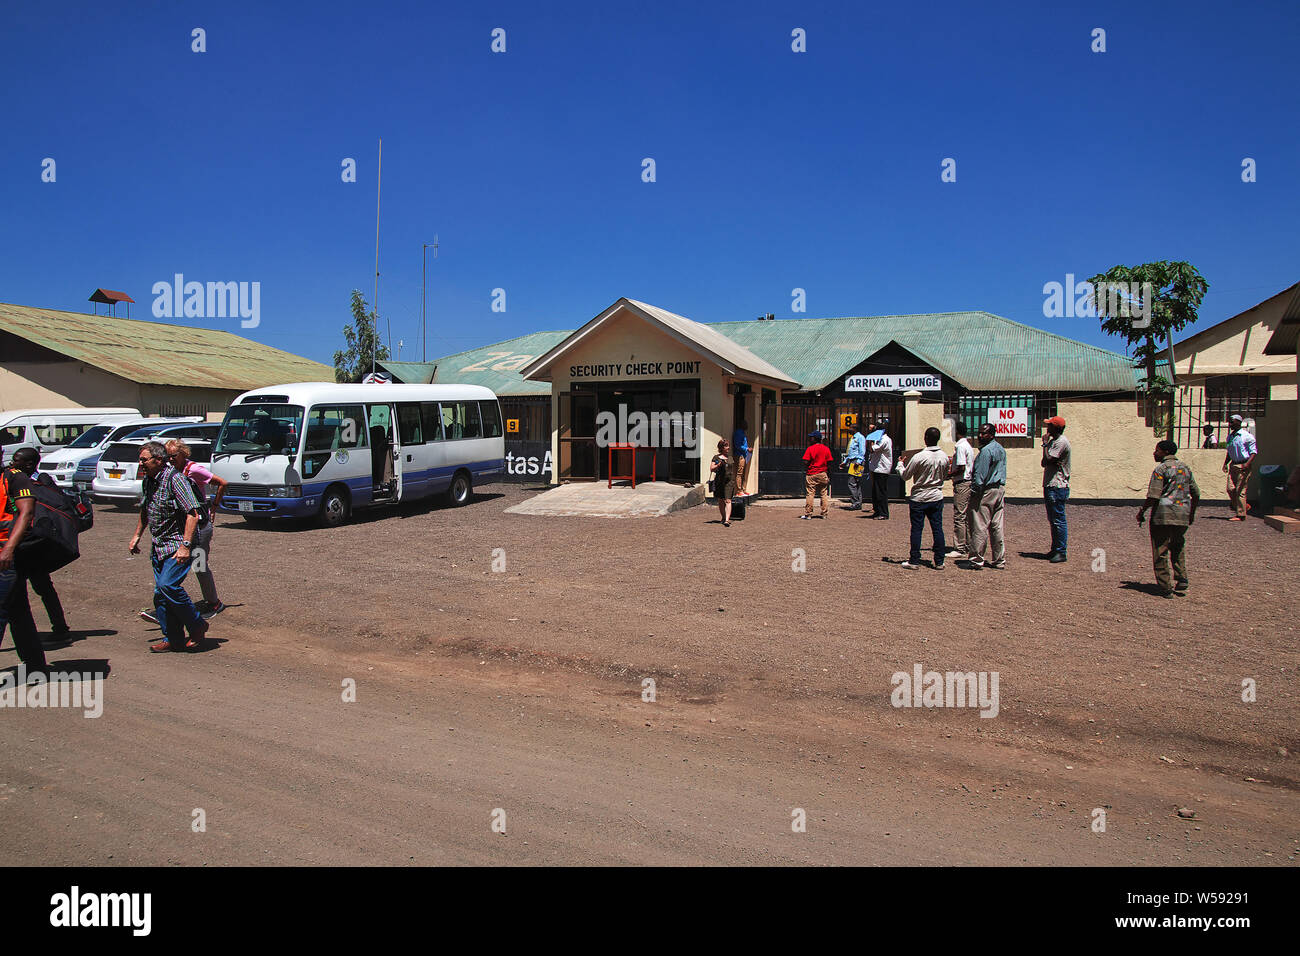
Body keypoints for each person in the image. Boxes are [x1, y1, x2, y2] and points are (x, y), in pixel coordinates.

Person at [129, 441, 209, 653]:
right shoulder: (149, 481)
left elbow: (193, 514)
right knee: (160, 595)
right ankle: (173, 638)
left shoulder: (176, 480)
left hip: (177, 545)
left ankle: (197, 625)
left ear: (158, 460)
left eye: (144, 460)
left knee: (167, 586)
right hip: (158, 547)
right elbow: (146, 510)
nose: (141, 463)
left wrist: (185, 546)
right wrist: (137, 535)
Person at [1, 448, 69, 641]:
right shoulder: (29, 480)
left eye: (17, 460)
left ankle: (61, 629)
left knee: (40, 588)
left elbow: (27, 514)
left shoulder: (24, 482)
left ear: (30, 464)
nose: (13, 464)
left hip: (29, 546)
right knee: (35, 591)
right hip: (25, 545)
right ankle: (59, 629)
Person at [0, 455, 49, 673]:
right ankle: (36, 665)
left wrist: (9, 549)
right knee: (18, 611)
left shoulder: (14, 477)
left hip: (6, 556)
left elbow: (26, 512)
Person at [167, 438, 227, 616]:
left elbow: (222, 483)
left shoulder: (193, 469)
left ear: (183, 454)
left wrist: (214, 507)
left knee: (199, 564)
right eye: (167, 456)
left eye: (173, 456)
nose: (170, 459)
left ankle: (214, 603)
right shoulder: (172, 471)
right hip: (184, 525)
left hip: (200, 526)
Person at [1137, 439, 1200, 598]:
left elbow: (1153, 495)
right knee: (1178, 546)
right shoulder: (1185, 468)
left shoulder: (1161, 469)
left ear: (1165, 452)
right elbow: (1196, 493)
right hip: (1182, 513)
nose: (1154, 453)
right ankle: (1182, 578)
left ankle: (1165, 587)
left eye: (1157, 450)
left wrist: (1143, 511)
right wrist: (1191, 513)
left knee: (1161, 549)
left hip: (1163, 515)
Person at [897, 427, 949, 570]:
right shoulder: (944, 456)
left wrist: (900, 464)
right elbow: (945, 475)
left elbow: (906, 475)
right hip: (936, 495)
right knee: (937, 528)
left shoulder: (919, 457)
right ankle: (939, 560)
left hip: (919, 496)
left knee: (917, 529)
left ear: (926, 438)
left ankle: (914, 559)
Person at [966, 422, 1006, 570]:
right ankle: (999, 559)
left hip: (986, 491)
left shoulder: (985, 452)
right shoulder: (1000, 449)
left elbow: (979, 477)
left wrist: (974, 493)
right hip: (999, 489)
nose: (981, 436)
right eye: (980, 433)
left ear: (992, 435)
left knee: (979, 524)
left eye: (984, 433)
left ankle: (976, 559)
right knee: (996, 525)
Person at [1041, 416, 1071, 563]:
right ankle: (1055, 549)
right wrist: (1046, 447)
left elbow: (1048, 460)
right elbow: (1044, 462)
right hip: (1051, 484)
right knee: (1053, 519)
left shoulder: (1061, 442)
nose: (1047, 428)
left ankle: (1061, 551)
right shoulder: (1053, 442)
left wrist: (1045, 445)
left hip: (1057, 485)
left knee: (1058, 519)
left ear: (1056, 428)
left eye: (1050, 426)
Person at [947, 420, 974, 559]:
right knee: (965, 516)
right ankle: (967, 544)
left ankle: (960, 547)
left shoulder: (961, 446)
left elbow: (961, 467)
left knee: (959, 515)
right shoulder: (967, 445)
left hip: (962, 483)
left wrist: (949, 474)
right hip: (966, 482)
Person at [1222, 414, 1257, 520]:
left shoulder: (1246, 436)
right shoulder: (1230, 436)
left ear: (1239, 422)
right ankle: (1243, 506)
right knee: (1230, 488)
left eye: (1232, 421)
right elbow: (1229, 451)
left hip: (1243, 464)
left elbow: (1253, 452)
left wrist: (1247, 464)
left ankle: (1241, 515)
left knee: (1240, 490)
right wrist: (1225, 463)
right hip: (1233, 464)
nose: (1230, 424)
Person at [801, 430, 834, 519]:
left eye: (811, 438)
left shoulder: (810, 449)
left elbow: (806, 461)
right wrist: (829, 475)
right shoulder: (826, 449)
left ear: (815, 439)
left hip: (812, 473)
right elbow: (829, 462)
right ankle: (824, 513)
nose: (810, 439)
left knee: (810, 493)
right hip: (823, 473)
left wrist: (807, 466)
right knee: (823, 493)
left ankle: (808, 514)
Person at [867, 418, 893, 519]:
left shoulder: (884, 440)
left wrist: (872, 439)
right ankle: (877, 511)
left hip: (882, 469)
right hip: (876, 468)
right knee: (875, 492)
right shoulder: (880, 439)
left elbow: (873, 449)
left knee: (881, 492)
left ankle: (883, 513)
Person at [841, 420, 867, 510]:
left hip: (856, 462)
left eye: (851, 428)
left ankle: (855, 502)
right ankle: (858, 502)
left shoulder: (860, 438)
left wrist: (858, 462)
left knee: (851, 482)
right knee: (856, 482)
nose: (849, 429)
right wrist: (845, 462)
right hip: (852, 460)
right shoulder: (853, 438)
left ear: (855, 429)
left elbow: (862, 451)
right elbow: (851, 452)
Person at [710, 439, 735, 527]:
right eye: (726, 446)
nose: (728, 447)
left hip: (729, 482)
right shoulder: (716, 458)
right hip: (719, 481)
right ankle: (723, 517)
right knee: (721, 500)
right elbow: (712, 468)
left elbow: (732, 470)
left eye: (728, 446)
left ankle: (727, 520)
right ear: (721, 447)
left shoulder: (730, 458)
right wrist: (718, 465)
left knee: (728, 500)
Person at [732, 420, 750, 494]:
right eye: (745, 424)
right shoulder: (738, 433)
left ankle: (743, 489)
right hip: (740, 455)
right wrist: (747, 449)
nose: (747, 425)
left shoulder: (742, 433)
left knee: (744, 472)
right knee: (739, 473)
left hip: (745, 455)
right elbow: (737, 445)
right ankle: (739, 490)